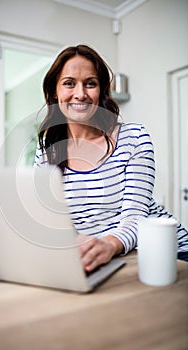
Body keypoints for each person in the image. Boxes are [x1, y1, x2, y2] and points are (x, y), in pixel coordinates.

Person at [34, 44, 188, 271]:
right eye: (69, 83)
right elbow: (49, 219)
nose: (80, 93)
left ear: (101, 92)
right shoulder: (47, 153)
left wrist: (107, 245)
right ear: (55, 92)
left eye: (90, 83)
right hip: (105, 259)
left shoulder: (133, 137)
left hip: (169, 254)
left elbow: (135, 218)